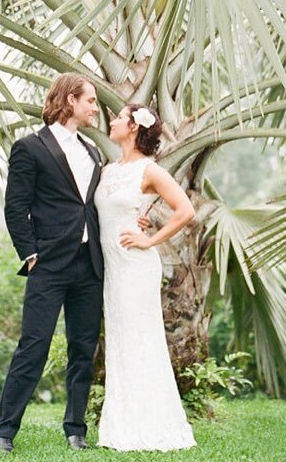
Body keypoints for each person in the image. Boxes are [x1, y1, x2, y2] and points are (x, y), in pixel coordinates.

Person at [0, 72, 105, 453]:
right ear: (70, 100)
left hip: (89, 265)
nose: (95, 108)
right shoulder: (29, 147)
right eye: (90, 100)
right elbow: (15, 208)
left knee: (82, 348)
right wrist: (31, 253)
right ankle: (4, 430)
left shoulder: (93, 151)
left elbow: (92, 205)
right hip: (49, 265)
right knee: (34, 345)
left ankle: (76, 429)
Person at [94, 104, 196, 451]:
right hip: (111, 268)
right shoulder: (107, 171)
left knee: (142, 339)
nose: (112, 120)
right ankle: (121, 423)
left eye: (119, 117)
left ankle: (153, 422)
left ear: (134, 128)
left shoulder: (149, 170)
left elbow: (185, 210)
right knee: (122, 340)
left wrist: (149, 238)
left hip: (136, 265)